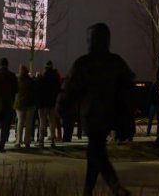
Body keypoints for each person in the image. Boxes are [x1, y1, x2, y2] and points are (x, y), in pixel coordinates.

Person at [62, 23, 135, 196]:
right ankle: (90, 189)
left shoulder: (84, 63)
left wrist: (62, 106)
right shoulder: (116, 62)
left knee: (96, 150)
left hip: (90, 114)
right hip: (109, 114)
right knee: (96, 149)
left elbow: (70, 88)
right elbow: (127, 89)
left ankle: (114, 186)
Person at [38, 61, 61, 148]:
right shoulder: (55, 78)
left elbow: (38, 90)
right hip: (52, 103)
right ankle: (52, 140)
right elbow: (58, 90)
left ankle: (41, 141)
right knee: (52, 122)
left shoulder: (42, 77)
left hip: (43, 104)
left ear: (45, 67)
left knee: (42, 122)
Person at [14, 65, 37, 148]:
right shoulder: (31, 80)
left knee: (20, 122)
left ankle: (18, 142)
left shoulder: (17, 80)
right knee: (28, 124)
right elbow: (35, 91)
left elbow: (14, 91)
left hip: (19, 104)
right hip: (30, 104)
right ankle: (27, 142)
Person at [56, 75, 77, 142]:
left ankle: (66, 138)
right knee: (70, 125)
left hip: (66, 109)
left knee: (66, 125)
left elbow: (60, 99)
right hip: (71, 109)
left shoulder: (63, 89)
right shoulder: (73, 88)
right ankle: (68, 137)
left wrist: (58, 108)